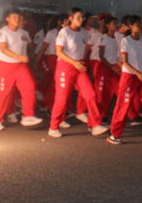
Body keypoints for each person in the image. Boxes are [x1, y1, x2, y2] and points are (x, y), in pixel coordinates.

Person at [48, 9, 108, 138]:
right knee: (62, 99)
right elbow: (58, 52)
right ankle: (53, 127)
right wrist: (74, 63)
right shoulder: (64, 32)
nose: (81, 20)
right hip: (66, 67)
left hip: (79, 67)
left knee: (91, 95)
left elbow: (84, 50)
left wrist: (81, 64)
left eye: (82, 18)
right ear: (70, 18)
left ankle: (95, 125)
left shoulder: (84, 33)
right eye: (78, 17)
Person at [107, 16, 142, 145]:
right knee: (123, 105)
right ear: (131, 26)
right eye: (138, 24)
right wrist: (138, 73)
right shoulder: (126, 41)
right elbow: (125, 62)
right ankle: (114, 134)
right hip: (129, 77)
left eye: (141, 23)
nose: (140, 25)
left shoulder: (141, 42)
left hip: (140, 77)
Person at [0, 9, 43, 131]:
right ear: (7, 19)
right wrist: (19, 56)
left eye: (19, 17)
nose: (17, 19)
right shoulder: (2, 32)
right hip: (4, 66)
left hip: (20, 66)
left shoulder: (23, 32)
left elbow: (28, 44)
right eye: (14, 17)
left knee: (29, 87)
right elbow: (3, 49)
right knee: (3, 94)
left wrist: (32, 49)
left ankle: (28, 116)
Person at [93, 16, 121, 119]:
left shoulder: (116, 38)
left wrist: (117, 67)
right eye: (114, 23)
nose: (116, 25)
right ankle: (97, 117)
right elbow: (101, 56)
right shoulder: (104, 38)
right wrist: (111, 67)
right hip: (104, 68)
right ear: (108, 25)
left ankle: (104, 115)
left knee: (115, 91)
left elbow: (116, 55)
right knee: (101, 94)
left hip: (112, 68)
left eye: (117, 23)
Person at [35, 16, 62, 115]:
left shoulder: (66, 32)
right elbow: (42, 48)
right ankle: (46, 102)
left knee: (54, 82)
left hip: (61, 59)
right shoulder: (50, 33)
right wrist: (37, 61)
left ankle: (46, 102)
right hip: (51, 58)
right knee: (54, 81)